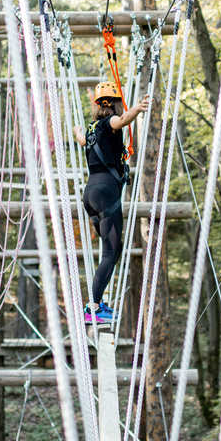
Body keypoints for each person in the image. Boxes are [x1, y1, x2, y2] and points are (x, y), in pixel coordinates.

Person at [74, 81, 149, 325]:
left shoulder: (91, 129)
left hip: (91, 193)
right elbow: (121, 121)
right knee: (110, 252)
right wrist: (136, 110)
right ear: (116, 104)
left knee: (111, 250)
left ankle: (96, 304)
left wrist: (76, 130)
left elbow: (81, 139)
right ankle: (93, 308)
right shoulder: (109, 124)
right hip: (106, 192)